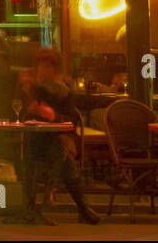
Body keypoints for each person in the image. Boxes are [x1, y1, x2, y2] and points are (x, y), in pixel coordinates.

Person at [16, 47, 100, 224]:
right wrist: (29, 109)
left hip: (57, 140)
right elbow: (20, 117)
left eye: (48, 67)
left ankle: (36, 205)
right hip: (36, 141)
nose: (43, 70)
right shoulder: (32, 89)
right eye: (41, 66)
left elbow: (71, 122)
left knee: (60, 148)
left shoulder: (64, 91)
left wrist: (53, 116)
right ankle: (76, 206)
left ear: (55, 70)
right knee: (61, 155)